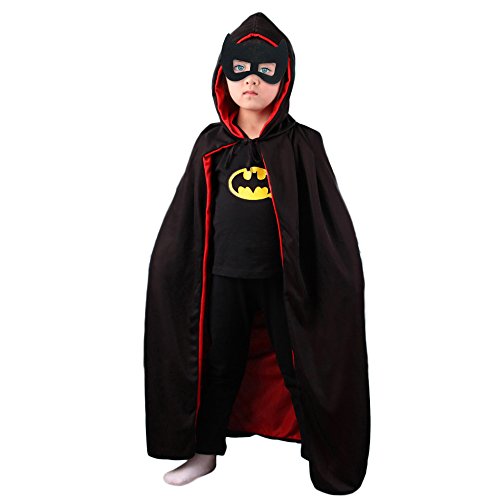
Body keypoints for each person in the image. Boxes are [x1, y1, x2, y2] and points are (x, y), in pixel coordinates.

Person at [144, 12, 370, 495]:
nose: (251, 80)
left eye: (264, 71)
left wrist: (339, 277)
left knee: (301, 364)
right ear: (223, 76)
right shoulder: (211, 144)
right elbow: (186, 218)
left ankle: (323, 454)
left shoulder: (303, 144)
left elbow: (328, 221)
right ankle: (204, 452)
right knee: (218, 363)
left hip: (285, 280)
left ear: (283, 78)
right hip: (223, 276)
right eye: (241, 69)